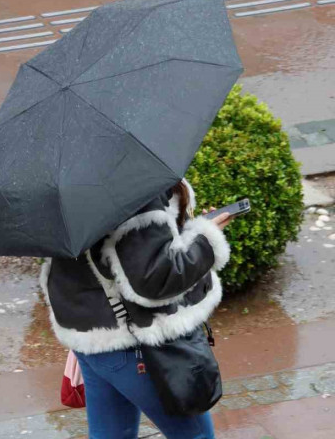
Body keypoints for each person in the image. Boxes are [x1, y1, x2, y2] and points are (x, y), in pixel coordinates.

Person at [40, 179, 231, 439]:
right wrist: (205, 239)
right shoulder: (131, 186)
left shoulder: (65, 183)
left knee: (112, 435)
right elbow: (155, 282)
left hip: (92, 340)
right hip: (136, 347)